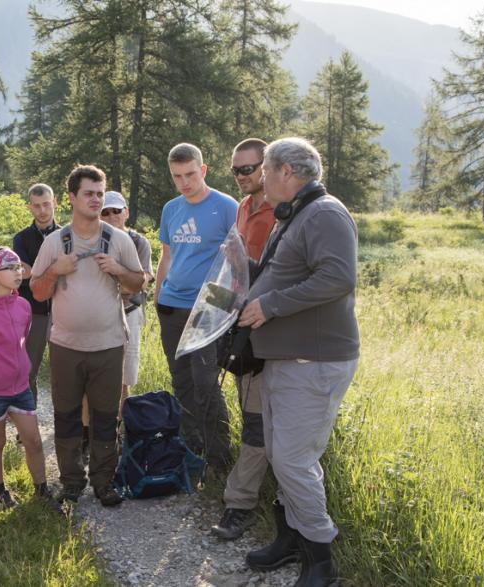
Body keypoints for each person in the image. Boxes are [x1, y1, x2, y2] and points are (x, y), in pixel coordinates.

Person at [238, 137, 359, 585]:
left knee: (292, 460)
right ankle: (290, 540)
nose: (260, 178)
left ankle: (319, 559)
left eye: (265, 170)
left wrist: (270, 307)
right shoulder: (294, 215)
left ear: (287, 171)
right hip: (286, 359)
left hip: (315, 361)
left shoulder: (325, 213)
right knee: (280, 452)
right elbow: (280, 273)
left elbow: (338, 277)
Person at [30, 165, 144, 507]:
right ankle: (71, 482)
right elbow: (36, 291)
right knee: (65, 415)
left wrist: (119, 270)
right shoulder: (55, 242)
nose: (96, 199)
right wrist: (54, 270)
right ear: (71, 198)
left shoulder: (119, 239)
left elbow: (139, 282)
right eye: (89, 194)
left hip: (109, 345)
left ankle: (104, 482)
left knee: (106, 416)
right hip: (65, 346)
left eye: (99, 193)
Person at [155, 143, 238, 473]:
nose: (184, 182)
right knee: (182, 382)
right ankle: (193, 451)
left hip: (207, 309)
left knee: (206, 384)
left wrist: (227, 307)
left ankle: (220, 459)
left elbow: (239, 263)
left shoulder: (226, 206)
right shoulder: (171, 209)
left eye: (190, 174)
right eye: (177, 176)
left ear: (202, 170)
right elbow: (166, 256)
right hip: (171, 306)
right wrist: (159, 298)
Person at [0, 247, 61, 511]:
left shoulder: (24, 306)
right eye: (10, 268)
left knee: (34, 440)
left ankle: (42, 491)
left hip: (20, 387)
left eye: (19, 267)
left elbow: (20, 341)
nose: (18, 272)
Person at [212, 138, 277, 540]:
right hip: (241, 326)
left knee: (257, 420)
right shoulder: (243, 207)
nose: (240, 177)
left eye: (247, 169)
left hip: (271, 326)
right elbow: (239, 269)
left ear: (267, 167)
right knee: (250, 412)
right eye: (235, 170)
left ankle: (240, 504)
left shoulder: (283, 212)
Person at [98, 190, 152, 415]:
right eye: (106, 212)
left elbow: (142, 281)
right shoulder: (94, 241)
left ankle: (121, 425)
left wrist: (120, 276)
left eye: (116, 211)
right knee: (99, 371)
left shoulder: (140, 242)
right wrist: (127, 280)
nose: (111, 216)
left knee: (125, 376)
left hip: (130, 312)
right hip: (99, 314)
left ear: (126, 213)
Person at [12, 183, 59, 403]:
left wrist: (36, 272)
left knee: (66, 372)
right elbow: (24, 272)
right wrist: (57, 269)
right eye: (37, 206)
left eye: (46, 204)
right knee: (28, 369)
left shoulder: (66, 235)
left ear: (55, 203)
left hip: (63, 310)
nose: (42, 210)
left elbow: (32, 271)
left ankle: (68, 427)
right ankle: (27, 422)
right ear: (30, 207)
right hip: (33, 312)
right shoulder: (21, 239)